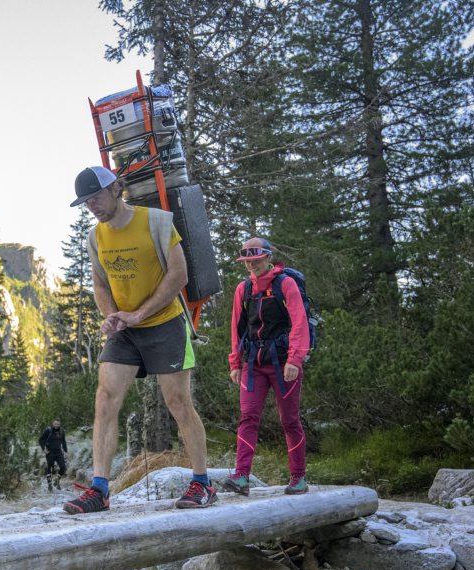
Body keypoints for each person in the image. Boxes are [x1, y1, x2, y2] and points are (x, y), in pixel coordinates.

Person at [63, 166, 216, 514]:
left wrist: (139, 314)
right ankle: (99, 489)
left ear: (117, 188)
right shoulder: (95, 237)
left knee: (178, 401)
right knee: (105, 398)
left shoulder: (157, 222)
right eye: (86, 202)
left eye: (97, 197)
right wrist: (112, 316)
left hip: (165, 323)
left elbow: (179, 275)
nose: (93, 206)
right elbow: (100, 284)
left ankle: (202, 483)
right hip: (125, 329)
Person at [223, 237, 310, 495]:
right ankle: (241, 476)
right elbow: (237, 328)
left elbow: (299, 323)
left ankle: (298, 477)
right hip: (253, 363)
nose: (252, 265)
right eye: (248, 261)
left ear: (268, 258)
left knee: (290, 421)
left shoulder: (286, 284)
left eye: (257, 260)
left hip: (283, 363)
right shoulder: (244, 289)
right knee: (247, 417)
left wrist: (294, 360)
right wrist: (235, 362)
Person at [38, 419, 68, 491]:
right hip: (50, 452)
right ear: (52, 424)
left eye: (58, 424)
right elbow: (40, 440)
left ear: (60, 424)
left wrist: (66, 451)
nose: (56, 425)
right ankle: (49, 485)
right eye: (55, 424)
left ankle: (57, 480)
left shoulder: (62, 431)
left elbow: (63, 441)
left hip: (58, 452)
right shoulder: (48, 430)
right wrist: (44, 449)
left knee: (63, 467)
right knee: (50, 468)